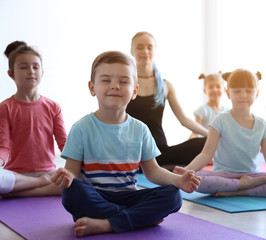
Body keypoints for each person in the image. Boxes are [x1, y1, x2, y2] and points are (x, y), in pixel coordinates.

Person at [51, 51, 201, 237]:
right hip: (95, 196)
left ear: (135, 91)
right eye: (106, 80)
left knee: (174, 196)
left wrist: (177, 180)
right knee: (73, 191)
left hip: (129, 196)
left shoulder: (141, 129)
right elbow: (72, 171)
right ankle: (137, 219)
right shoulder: (81, 128)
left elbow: (152, 172)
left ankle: (108, 223)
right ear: (92, 88)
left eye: (123, 81)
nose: (115, 86)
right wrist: (66, 176)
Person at [175, 69, 266, 198]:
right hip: (223, 175)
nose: (243, 95)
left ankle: (240, 190)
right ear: (228, 93)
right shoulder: (219, 121)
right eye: (237, 91)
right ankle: (241, 185)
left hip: (253, 175)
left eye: (249, 91)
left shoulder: (262, 124)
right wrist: (187, 171)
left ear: (256, 93)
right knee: (197, 179)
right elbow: (206, 154)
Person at [126, 31, 208, 170]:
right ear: (132, 51)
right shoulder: (125, 82)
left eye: (149, 47)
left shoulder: (166, 85)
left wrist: (213, 136)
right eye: (139, 47)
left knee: (205, 143)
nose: (145, 51)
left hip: (159, 151)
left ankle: (157, 167)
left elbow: (184, 119)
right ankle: (159, 167)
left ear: (154, 50)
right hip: (131, 152)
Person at [0, 41, 67, 198]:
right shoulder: (5, 108)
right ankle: (39, 185)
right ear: (11, 74)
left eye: (35, 67)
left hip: (49, 173)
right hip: (17, 175)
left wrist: (79, 166)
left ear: (42, 72)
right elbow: (3, 146)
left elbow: (64, 144)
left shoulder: (53, 107)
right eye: (23, 67)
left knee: (82, 181)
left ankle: (20, 194)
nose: (31, 71)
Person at [189, 72, 228, 139]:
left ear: (224, 89)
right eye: (210, 87)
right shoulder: (202, 111)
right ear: (204, 90)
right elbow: (195, 132)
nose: (215, 90)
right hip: (206, 143)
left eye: (218, 87)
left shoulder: (228, 112)